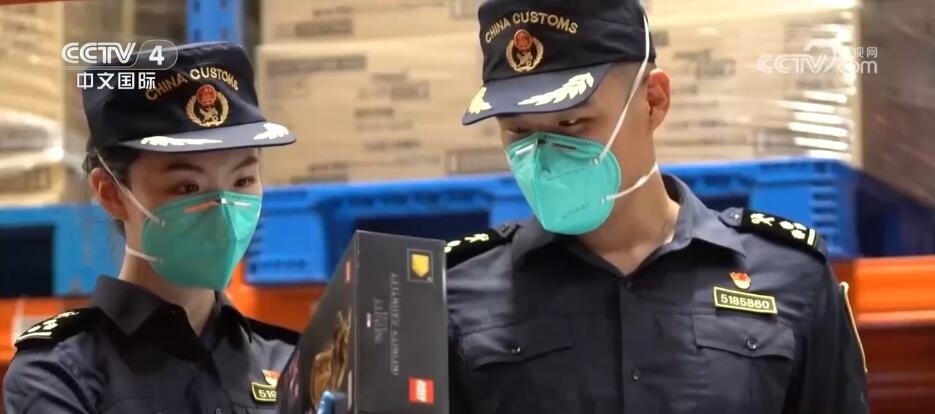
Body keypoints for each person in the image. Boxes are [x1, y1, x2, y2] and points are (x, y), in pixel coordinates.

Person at [442, 0, 870, 413]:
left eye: (571, 123)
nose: (544, 157)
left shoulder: (790, 277)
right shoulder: (457, 293)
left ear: (653, 100)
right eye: (518, 131)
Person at [3, 42, 301, 414]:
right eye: (187, 187)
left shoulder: (291, 365)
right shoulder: (60, 374)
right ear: (111, 192)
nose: (223, 212)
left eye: (242, 181)